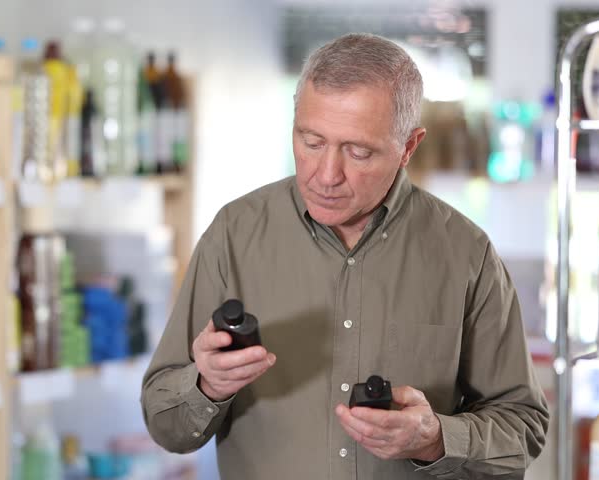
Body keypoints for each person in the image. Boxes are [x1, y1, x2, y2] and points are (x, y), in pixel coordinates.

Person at [141, 33, 549, 479]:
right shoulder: (234, 234)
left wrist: (435, 438)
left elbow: (523, 428)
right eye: (311, 141)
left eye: (358, 151)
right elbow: (166, 426)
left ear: (408, 147)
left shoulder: (466, 253)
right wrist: (207, 385)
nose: (326, 175)